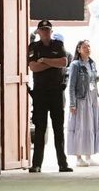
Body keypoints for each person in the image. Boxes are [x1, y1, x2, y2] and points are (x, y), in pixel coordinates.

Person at [27, 18, 70, 172]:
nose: (45, 32)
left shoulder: (58, 45)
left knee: (58, 128)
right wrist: (52, 62)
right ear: (38, 32)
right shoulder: (33, 47)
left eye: (48, 30)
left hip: (56, 91)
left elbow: (63, 62)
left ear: (51, 32)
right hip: (40, 93)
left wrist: (44, 60)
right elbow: (33, 67)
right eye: (42, 30)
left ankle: (62, 164)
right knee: (40, 128)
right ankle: (36, 164)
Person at [65, 40, 99, 167]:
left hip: (92, 98)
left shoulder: (92, 63)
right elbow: (71, 86)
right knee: (80, 127)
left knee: (90, 126)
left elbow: (91, 81)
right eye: (84, 46)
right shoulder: (75, 65)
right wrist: (72, 104)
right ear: (78, 49)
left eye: (89, 46)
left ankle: (89, 155)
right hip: (81, 99)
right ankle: (78, 157)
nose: (87, 48)